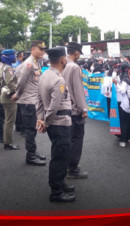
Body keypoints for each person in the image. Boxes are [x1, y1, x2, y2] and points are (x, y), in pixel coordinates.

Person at [37, 46, 76, 202]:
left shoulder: (44, 75)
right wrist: (45, 121)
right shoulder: (58, 79)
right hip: (59, 123)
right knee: (60, 157)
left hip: (53, 123)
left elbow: (38, 100)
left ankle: (60, 183)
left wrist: (40, 118)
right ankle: (56, 191)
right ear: (62, 59)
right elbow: (54, 105)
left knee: (61, 155)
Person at [12, 40, 47, 166]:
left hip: (32, 100)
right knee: (30, 130)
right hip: (28, 101)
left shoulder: (35, 62)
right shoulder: (28, 63)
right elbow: (21, 81)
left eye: (44, 49)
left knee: (32, 128)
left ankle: (34, 151)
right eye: (40, 49)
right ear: (33, 49)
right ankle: (30, 156)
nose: (43, 51)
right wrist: (18, 94)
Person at [62, 42, 89, 179]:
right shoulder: (74, 67)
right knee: (77, 139)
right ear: (76, 53)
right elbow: (78, 90)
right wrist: (83, 108)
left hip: (63, 107)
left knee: (68, 139)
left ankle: (67, 165)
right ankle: (72, 169)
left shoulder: (62, 63)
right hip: (74, 109)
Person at [0, 49, 20, 150]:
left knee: (8, 120)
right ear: (9, 57)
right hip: (9, 97)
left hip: (6, 97)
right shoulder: (8, 69)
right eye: (13, 55)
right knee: (10, 121)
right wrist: (17, 91)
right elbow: (9, 82)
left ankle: (7, 141)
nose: (15, 57)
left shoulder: (5, 67)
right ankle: (8, 143)